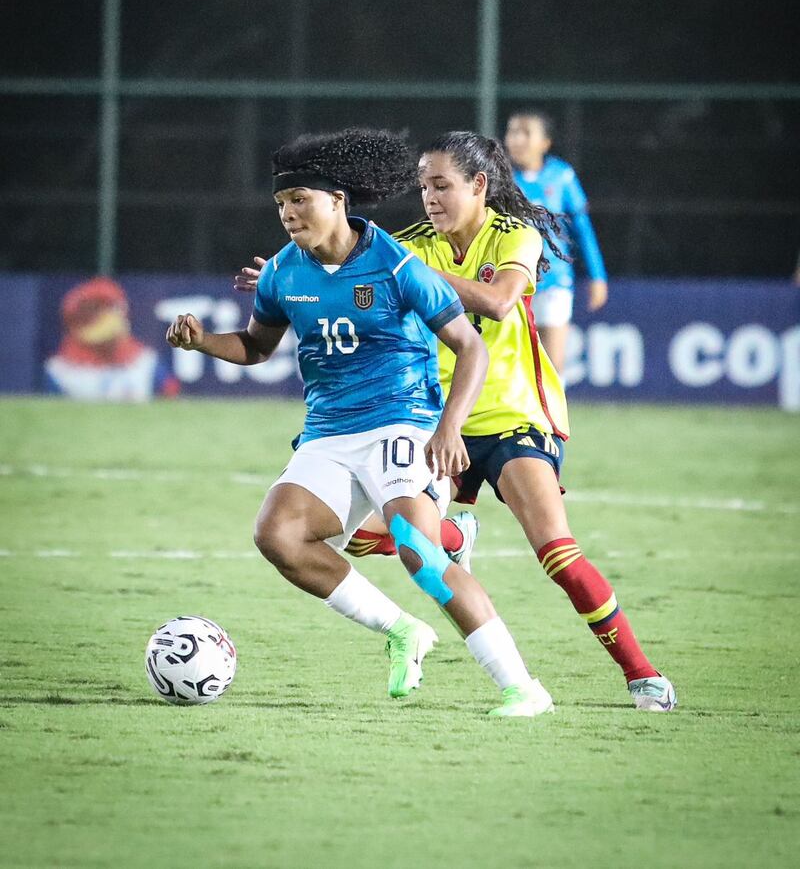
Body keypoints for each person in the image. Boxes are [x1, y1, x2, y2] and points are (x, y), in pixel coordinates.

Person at [236, 131, 676, 712]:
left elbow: (497, 303)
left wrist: (398, 272)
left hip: (509, 414)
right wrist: (309, 272)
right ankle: (456, 539)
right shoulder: (410, 245)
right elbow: (346, 267)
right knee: (380, 540)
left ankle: (641, 674)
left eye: (442, 185)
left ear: (479, 186)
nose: (429, 198)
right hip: (434, 415)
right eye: (422, 187)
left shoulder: (511, 235)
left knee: (556, 553)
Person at [169, 128, 554, 717]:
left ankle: (523, 688)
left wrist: (450, 429)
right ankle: (403, 631)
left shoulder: (397, 264)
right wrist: (203, 343)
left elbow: (469, 347)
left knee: (418, 551)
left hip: (402, 419)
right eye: (281, 203)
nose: (289, 213)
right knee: (278, 535)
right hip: (329, 430)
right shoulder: (281, 274)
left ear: (337, 200)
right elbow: (254, 346)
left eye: (301, 199)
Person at [505, 110, 608, 375]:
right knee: (514, 361)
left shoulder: (562, 176)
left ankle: (551, 416)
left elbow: (582, 228)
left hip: (554, 278)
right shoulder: (501, 179)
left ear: (545, 143)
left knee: (552, 365)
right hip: (510, 279)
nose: (517, 139)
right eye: (512, 132)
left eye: (526, 133)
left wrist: (598, 276)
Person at [45, 277, 179, 401]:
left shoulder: (146, 362)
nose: (103, 317)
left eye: (107, 308)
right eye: (93, 310)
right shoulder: (59, 371)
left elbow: (171, 398)